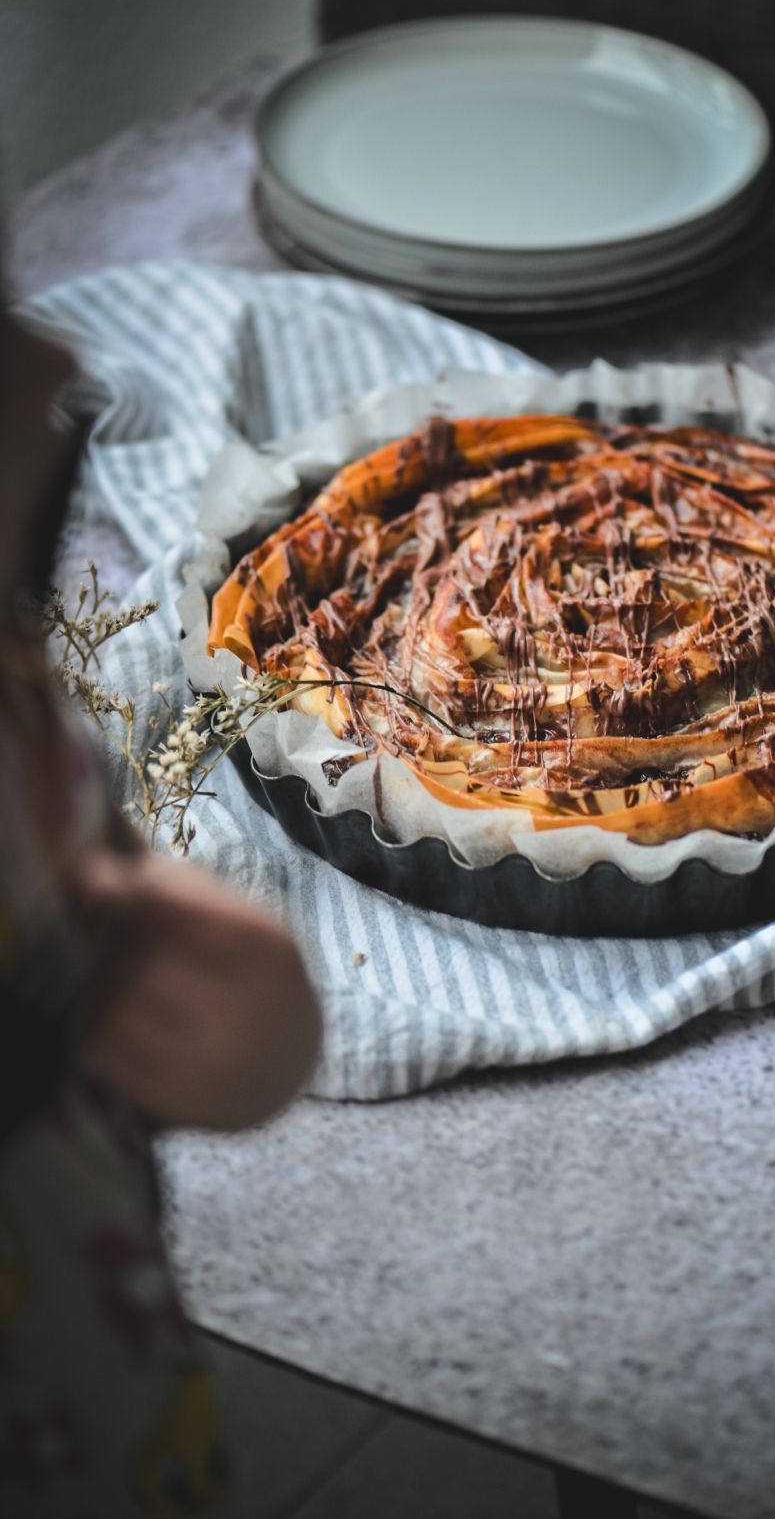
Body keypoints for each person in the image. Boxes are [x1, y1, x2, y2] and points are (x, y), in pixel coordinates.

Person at [0, 298, 322, 1517]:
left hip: (112, 1415)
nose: (58, 355)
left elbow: (95, 896)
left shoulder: (17, 698)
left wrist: (239, 1024)